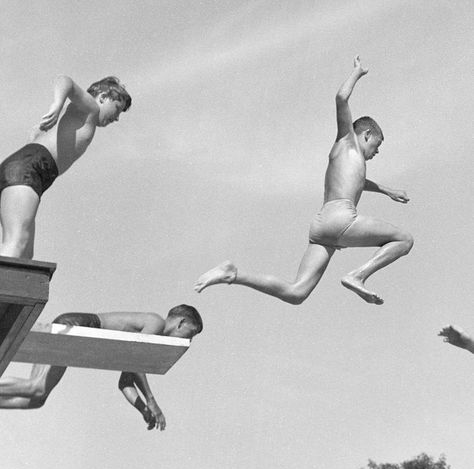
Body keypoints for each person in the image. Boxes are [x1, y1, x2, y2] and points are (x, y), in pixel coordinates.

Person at [194, 56, 413, 306]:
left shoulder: (348, 162)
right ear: (367, 134)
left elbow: (359, 182)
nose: (377, 152)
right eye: (377, 145)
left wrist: (387, 190)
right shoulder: (347, 140)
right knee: (404, 239)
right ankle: (358, 275)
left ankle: (232, 274)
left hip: (322, 226)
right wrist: (357, 73)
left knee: (297, 293)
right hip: (342, 217)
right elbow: (341, 98)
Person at [0, 305, 203, 429]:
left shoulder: (149, 340)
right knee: (36, 388)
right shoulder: (156, 323)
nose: (189, 341)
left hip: (73, 326)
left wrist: (143, 409)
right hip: (77, 325)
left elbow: (125, 382)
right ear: (181, 323)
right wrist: (151, 400)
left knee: (37, 398)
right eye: (190, 334)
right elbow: (134, 362)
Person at [0, 75, 131, 258]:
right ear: (103, 97)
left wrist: (39, 133)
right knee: (16, 242)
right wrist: (57, 105)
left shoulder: (80, 118)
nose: (116, 118)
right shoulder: (91, 109)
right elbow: (65, 81)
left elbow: (35, 138)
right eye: (117, 108)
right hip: (30, 168)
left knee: (25, 256)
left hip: (32, 171)